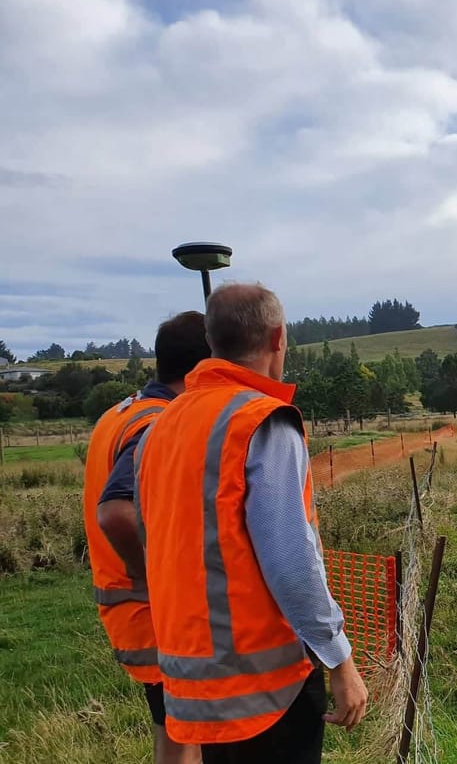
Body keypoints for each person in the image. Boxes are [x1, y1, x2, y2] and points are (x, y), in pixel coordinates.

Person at [135, 282, 367, 763]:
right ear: (278, 338)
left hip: (191, 678)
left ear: (212, 340)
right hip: (266, 686)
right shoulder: (263, 422)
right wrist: (339, 659)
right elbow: (289, 561)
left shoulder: (161, 428)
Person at [85, 311, 210, 764]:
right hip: (154, 612)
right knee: (184, 737)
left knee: (175, 733)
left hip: (131, 608)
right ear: (202, 368)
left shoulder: (123, 412)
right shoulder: (160, 424)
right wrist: (158, 578)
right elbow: (116, 512)